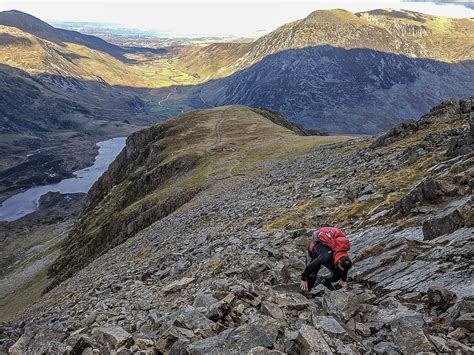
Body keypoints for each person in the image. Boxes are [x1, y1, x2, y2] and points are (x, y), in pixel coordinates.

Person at [300, 227, 352, 292]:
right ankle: (306, 292)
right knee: (312, 275)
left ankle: (326, 282)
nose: (343, 270)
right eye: (341, 267)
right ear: (338, 262)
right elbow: (311, 266)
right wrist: (303, 278)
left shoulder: (344, 256)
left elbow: (344, 268)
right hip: (313, 252)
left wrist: (343, 280)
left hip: (327, 255)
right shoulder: (326, 257)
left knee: (338, 274)